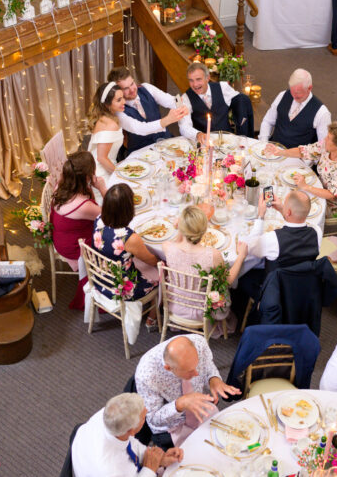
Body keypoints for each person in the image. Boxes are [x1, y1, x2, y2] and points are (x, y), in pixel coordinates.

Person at [134, 334, 240, 448]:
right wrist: (179, 404)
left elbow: (208, 365)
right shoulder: (147, 376)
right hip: (172, 427)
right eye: (189, 371)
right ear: (169, 368)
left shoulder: (199, 343)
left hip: (200, 409)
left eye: (196, 366)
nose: (196, 374)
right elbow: (154, 419)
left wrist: (213, 378)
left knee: (227, 441)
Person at [162, 205, 248, 337]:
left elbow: (176, 242)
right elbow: (228, 281)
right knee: (222, 288)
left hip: (174, 304)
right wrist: (241, 256)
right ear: (204, 230)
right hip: (200, 310)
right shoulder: (213, 255)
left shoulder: (167, 247)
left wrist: (180, 229)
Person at [71, 392, 183, 477]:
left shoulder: (110, 414)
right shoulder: (111, 470)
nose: (147, 410)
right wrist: (149, 469)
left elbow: (130, 444)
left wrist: (159, 459)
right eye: (143, 417)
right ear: (132, 430)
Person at [264, 121, 337, 217]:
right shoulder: (326, 146)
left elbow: (332, 195)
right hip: (319, 188)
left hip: (334, 205)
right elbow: (304, 152)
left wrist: (306, 187)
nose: (325, 139)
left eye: (328, 138)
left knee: (296, 209)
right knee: (287, 196)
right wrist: (280, 152)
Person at [50, 151, 106, 309]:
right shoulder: (83, 206)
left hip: (62, 236)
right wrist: (102, 188)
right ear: (87, 176)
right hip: (75, 246)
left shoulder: (61, 185)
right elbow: (112, 213)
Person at [92, 184, 159, 304]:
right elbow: (152, 261)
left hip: (100, 277)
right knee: (164, 273)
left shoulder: (99, 219)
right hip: (122, 288)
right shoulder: (129, 238)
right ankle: (152, 316)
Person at [108, 66, 189, 160]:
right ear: (117, 91)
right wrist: (167, 120)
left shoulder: (146, 87)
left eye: (132, 83)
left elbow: (172, 100)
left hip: (165, 141)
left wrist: (181, 105)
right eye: (126, 88)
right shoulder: (118, 111)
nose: (132, 90)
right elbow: (140, 128)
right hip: (141, 151)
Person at [182, 62, 254, 143]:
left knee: (243, 99)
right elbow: (184, 126)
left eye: (198, 79)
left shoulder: (222, 88)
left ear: (207, 78)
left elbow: (240, 100)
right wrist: (198, 134)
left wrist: (242, 130)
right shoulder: (186, 98)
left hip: (228, 141)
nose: (195, 84)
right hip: (205, 143)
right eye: (191, 80)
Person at [259, 68, 332, 148]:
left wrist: (306, 160)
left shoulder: (322, 113)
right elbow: (268, 121)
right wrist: (264, 143)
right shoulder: (283, 95)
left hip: (298, 158)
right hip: (273, 151)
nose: (293, 97)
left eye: (298, 94)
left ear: (309, 88)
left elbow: (324, 146)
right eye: (291, 91)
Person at [87, 82, 127, 185]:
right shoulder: (111, 125)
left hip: (105, 165)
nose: (124, 102)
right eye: (119, 100)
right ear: (107, 104)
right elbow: (101, 158)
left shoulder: (105, 118)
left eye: (122, 97)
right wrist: (119, 175)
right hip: (101, 173)